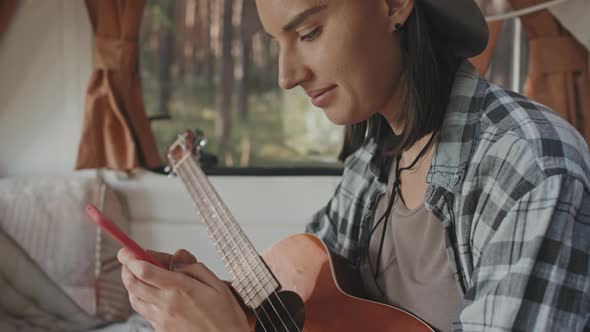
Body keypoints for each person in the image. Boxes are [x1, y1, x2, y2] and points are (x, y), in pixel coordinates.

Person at [117, 0, 590, 331]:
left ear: (393, 4)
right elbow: (298, 299)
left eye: (308, 32)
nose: (285, 76)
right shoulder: (370, 165)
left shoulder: (527, 165)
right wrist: (205, 300)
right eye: (276, 43)